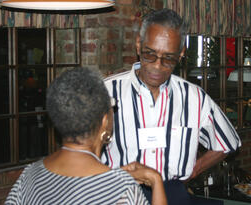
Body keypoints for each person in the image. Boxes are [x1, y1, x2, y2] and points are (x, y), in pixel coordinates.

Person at [101, 8, 241, 205]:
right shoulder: (106, 92)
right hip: (117, 195)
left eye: (169, 58)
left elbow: (228, 141)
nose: (158, 66)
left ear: (181, 53)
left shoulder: (193, 97)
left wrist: (194, 170)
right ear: (139, 45)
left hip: (172, 194)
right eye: (150, 55)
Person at [5, 67, 167, 205]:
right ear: (104, 121)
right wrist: (155, 180)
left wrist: (111, 175)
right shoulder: (123, 191)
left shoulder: (29, 176)